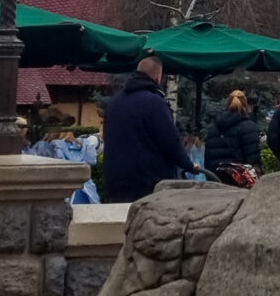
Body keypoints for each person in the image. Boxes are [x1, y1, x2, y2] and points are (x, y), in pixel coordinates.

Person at [103, 56, 201, 202]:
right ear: (158, 76)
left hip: (115, 182)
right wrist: (189, 165)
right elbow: (170, 141)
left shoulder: (114, 103)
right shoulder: (155, 103)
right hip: (147, 183)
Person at [204, 90, 262, 180]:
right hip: (238, 179)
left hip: (215, 177)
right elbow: (253, 159)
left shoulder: (214, 127)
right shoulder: (249, 127)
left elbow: (208, 155)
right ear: (245, 105)